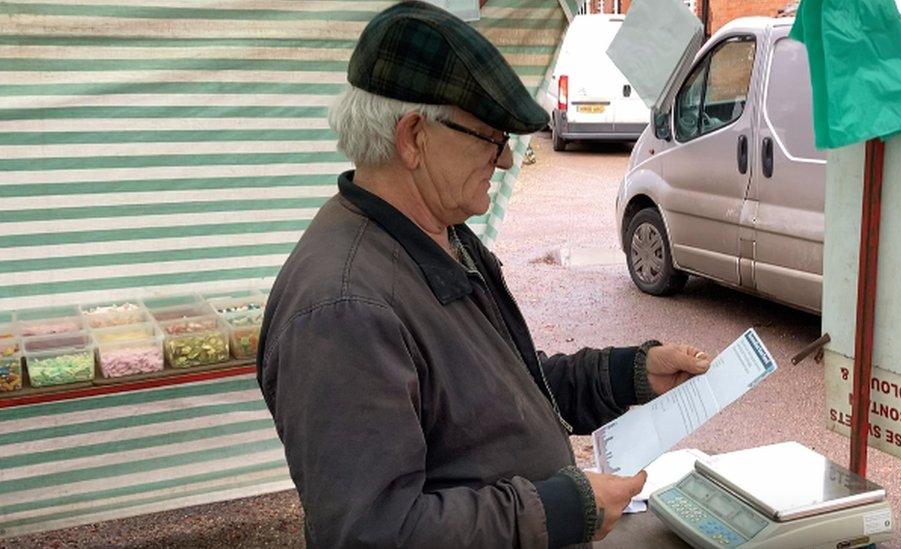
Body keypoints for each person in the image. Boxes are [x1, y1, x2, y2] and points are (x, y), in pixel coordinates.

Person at [256, 2, 710, 547]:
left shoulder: (437, 233)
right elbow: (373, 533)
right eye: (490, 138)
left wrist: (627, 374)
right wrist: (562, 508)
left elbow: (498, 392)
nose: (506, 162)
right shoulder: (345, 308)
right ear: (414, 137)